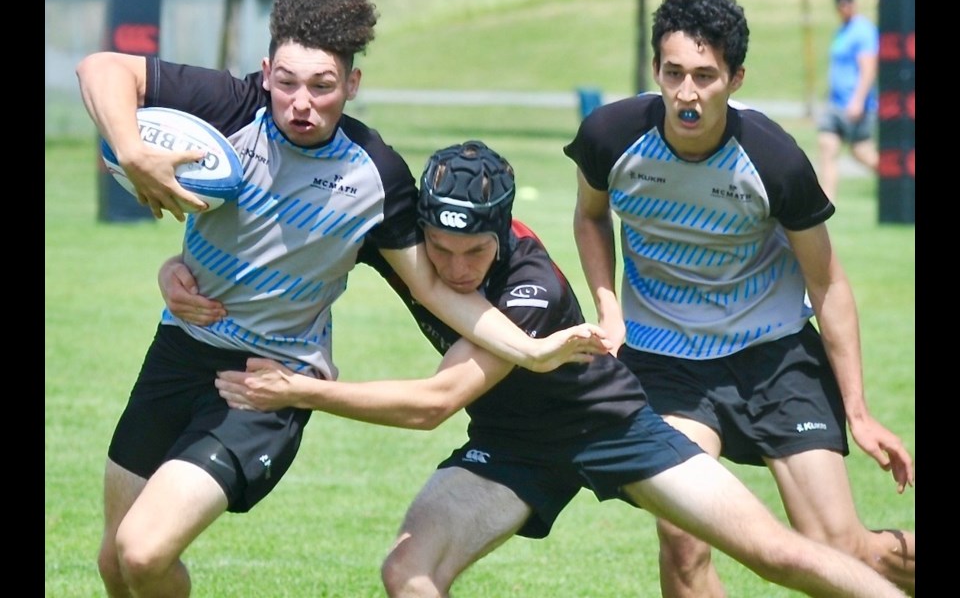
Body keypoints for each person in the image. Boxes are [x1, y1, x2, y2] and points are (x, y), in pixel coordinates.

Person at [75, 0, 606, 597]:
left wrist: (533, 349)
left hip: (268, 378)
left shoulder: (375, 177)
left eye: (323, 86)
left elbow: (433, 289)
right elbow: (101, 69)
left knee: (142, 549)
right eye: (288, 82)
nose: (301, 103)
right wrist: (133, 153)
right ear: (267, 72)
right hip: (178, 349)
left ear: (352, 83)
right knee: (115, 561)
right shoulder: (230, 106)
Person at [202, 140, 908, 598]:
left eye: (472, 254)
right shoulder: (414, 245)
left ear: (504, 231)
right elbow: (299, 238)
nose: (452, 270)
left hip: (610, 426)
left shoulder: (530, 287)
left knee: (776, 554)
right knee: (407, 572)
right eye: (439, 251)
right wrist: (184, 269)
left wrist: (300, 390)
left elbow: (435, 402)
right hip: (513, 446)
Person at [563, 0, 914, 597]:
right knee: (682, 536)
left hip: (774, 358)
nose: (687, 93)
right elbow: (591, 216)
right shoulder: (610, 136)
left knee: (839, 548)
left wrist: (857, 411)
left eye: (706, 75)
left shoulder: (773, 161)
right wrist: (610, 309)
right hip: (666, 361)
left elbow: (827, 283)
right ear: (656, 70)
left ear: (736, 77)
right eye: (673, 73)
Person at [816, 0, 880, 202]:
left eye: (848, 2)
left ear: (855, 3)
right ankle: (827, 203)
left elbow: (868, 68)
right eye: (840, 3)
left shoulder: (864, 31)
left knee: (861, 152)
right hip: (835, 104)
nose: (844, 7)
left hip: (855, 104)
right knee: (827, 147)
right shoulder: (840, 31)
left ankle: (898, 180)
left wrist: (858, 100)